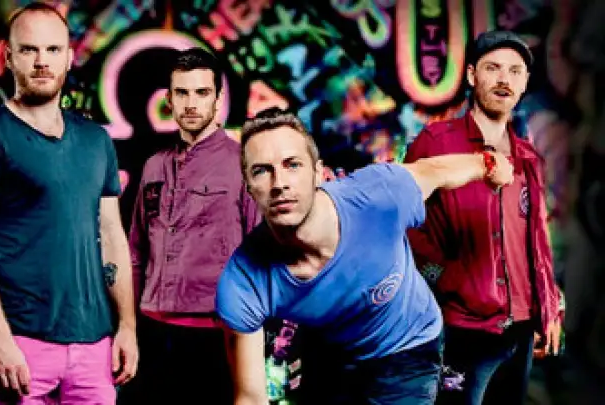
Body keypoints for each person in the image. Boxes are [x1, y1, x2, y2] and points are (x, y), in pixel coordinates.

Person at [215, 107, 515, 405]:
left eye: (292, 165)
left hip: (407, 345)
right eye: (261, 171)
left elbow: (435, 171)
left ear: (318, 173)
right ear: (248, 187)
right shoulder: (242, 281)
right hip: (332, 351)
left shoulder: (378, 195)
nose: (279, 183)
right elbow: (250, 396)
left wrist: (487, 163)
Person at [0, 3, 137, 404]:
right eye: (29, 50)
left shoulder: (96, 141)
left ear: (69, 57)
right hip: (19, 342)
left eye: (52, 50)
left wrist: (127, 327)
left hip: (93, 346)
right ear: (8, 57)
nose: (41, 62)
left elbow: (112, 237)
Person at [403, 30, 562, 405]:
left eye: (515, 71)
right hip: (460, 330)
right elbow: (404, 225)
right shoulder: (436, 142)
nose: (504, 79)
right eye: (493, 68)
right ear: (473, 75)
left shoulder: (528, 158)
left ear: (524, 82)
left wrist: (549, 306)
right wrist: (446, 279)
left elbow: (536, 240)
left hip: (520, 331)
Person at [124, 48, 260, 405]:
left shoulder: (241, 164)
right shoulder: (154, 166)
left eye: (201, 92)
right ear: (169, 99)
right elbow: (135, 253)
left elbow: (260, 253)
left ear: (218, 98)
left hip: (214, 334)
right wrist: (127, 326)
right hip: (151, 331)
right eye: (182, 93)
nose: (191, 103)